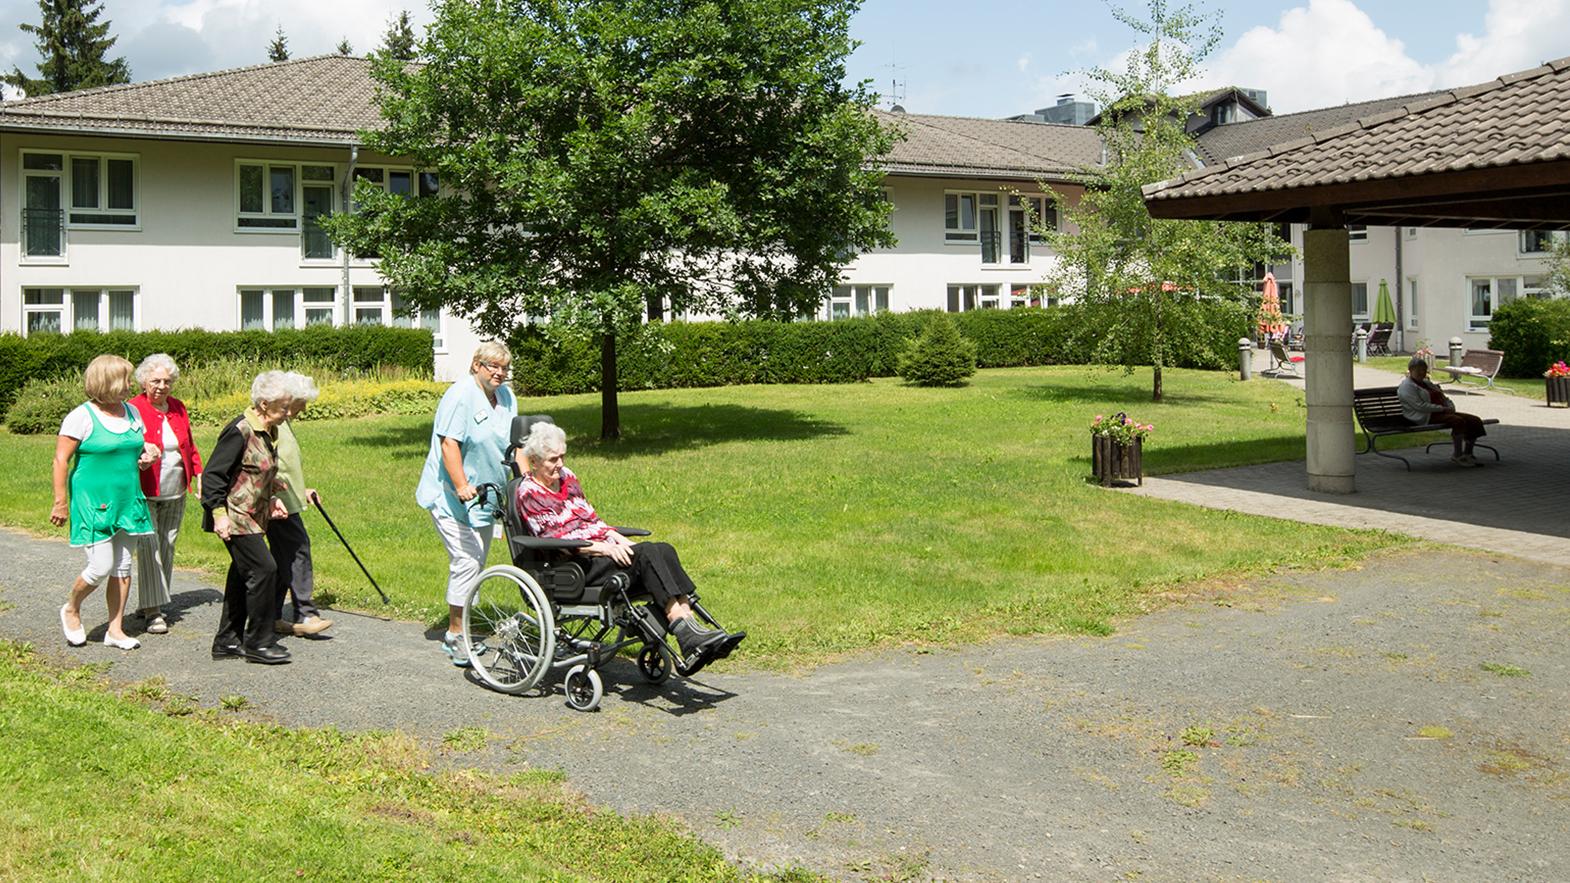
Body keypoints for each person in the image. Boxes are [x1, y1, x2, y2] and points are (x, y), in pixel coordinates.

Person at [514, 421, 744, 675]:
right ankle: (684, 629)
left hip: (598, 550)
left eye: (563, 456)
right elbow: (557, 540)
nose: (560, 464)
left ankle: (689, 627)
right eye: (552, 459)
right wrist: (604, 548)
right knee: (646, 554)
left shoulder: (567, 477)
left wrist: (618, 539)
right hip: (574, 565)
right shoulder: (529, 492)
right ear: (534, 461)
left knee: (662, 549)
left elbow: (592, 519)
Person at [416, 342, 519, 666]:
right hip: (451, 495)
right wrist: (461, 485)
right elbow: (449, 444)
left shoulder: (506, 396)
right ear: (476, 365)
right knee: (467, 562)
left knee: (477, 561)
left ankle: (464, 625)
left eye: (504, 368)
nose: (499, 373)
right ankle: (455, 635)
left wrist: (524, 483)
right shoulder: (459, 395)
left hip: (487, 495)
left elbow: (515, 444)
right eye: (492, 366)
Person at [50, 355, 160, 651]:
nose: (130, 385)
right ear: (107, 382)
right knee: (100, 567)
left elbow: (136, 448)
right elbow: (61, 460)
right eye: (125, 379)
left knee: (122, 567)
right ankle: (71, 608)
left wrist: (147, 456)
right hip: (93, 501)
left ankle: (115, 629)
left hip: (128, 500)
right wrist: (60, 502)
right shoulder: (81, 416)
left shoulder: (133, 412)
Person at [202, 370, 293, 664]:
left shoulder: (270, 431)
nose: (289, 412)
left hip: (255, 515)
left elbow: (255, 473)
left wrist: (274, 495)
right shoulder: (239, 430)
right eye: (284, 407)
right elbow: (213, 475)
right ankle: (259, 642)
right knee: (265, 570)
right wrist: (219, 515)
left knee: (244, 575)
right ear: (264, 404)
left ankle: (227, 641)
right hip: (234, 516)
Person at [127, 353, 203, 635]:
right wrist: (140, 458)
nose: (161, 386)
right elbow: (125, 447)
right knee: (149, 548)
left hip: (175, 490)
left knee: (167, 545)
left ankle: (151, 601)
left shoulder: (178, 408)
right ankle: (154, 611)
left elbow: (189, 445)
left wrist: (198, 474)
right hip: (145, 490)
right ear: (143, 381)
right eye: (155, 380)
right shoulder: (132, 408)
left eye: (167, 381)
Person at [267, 372, 333, 637]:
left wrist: (301, 489)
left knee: (283, 558)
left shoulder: (283, 423)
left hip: (287, 499)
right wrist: (274, 496)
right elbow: (266, 464)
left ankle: (269, 616)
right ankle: (305, 614)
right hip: (278, 505)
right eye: (302, 402)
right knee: (298, 551)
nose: (305, 407)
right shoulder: (274, 423)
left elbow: (285, 464)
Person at [1398, 357, 1487, 467]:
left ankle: (1468, 453)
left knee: (1474, 420)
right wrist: (1443, 409)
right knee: (1458, 421)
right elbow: (1419, 406)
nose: (1422, 372)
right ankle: (1457, 455)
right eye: (1418, 370)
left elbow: (1443, 397)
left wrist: (1450, 406)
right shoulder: (1407, 387)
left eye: (1424, 370)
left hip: (1441, 412)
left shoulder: (1427, 383)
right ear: (1410, 370)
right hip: (1424, 416)